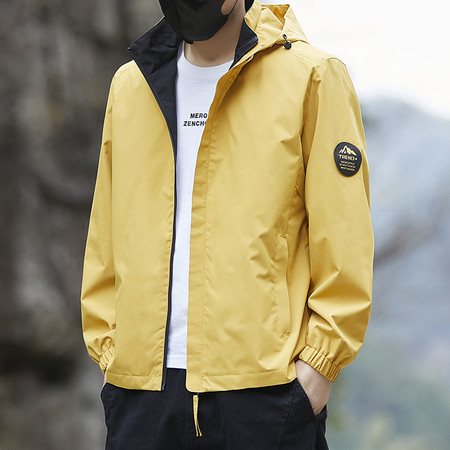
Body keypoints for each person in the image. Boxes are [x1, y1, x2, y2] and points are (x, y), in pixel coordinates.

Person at [80, 0, 374, 448]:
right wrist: (110, 355)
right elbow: (106, 232)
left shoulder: (311, 76)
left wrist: (318, 369)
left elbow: (344, 236)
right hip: (141, 396)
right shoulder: (130, 84)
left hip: (265, 395)